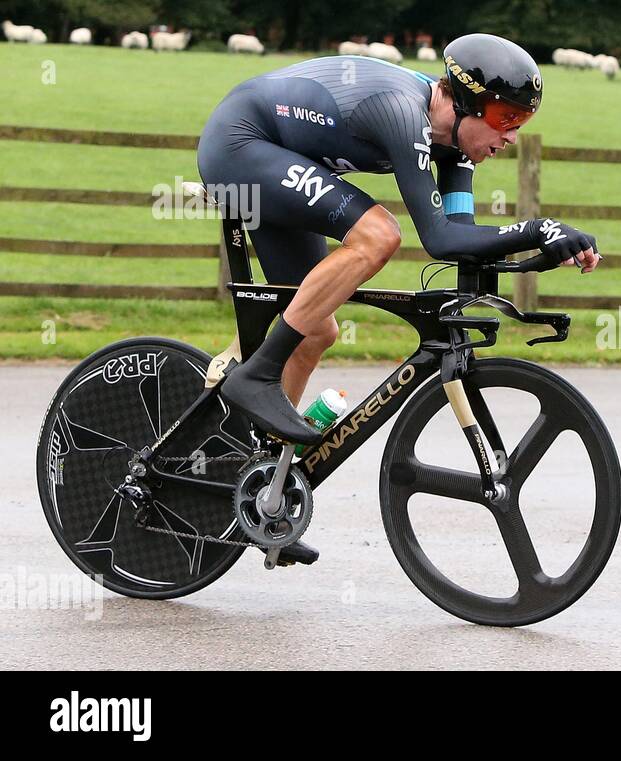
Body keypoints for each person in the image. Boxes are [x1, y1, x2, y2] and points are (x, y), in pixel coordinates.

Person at [198, 34, 600, 565]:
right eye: (504, 117)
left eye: (520, 124)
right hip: (241, 144)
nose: (509, 136)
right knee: (378, 235)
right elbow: (436, 237)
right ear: (463, 100)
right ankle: (255, 377)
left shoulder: (455, 148)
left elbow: (461, 234)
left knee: (315, 330)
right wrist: (538, 228)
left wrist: (545, 246)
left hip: (278, 157)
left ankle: (265, 492)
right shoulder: (401, 110)